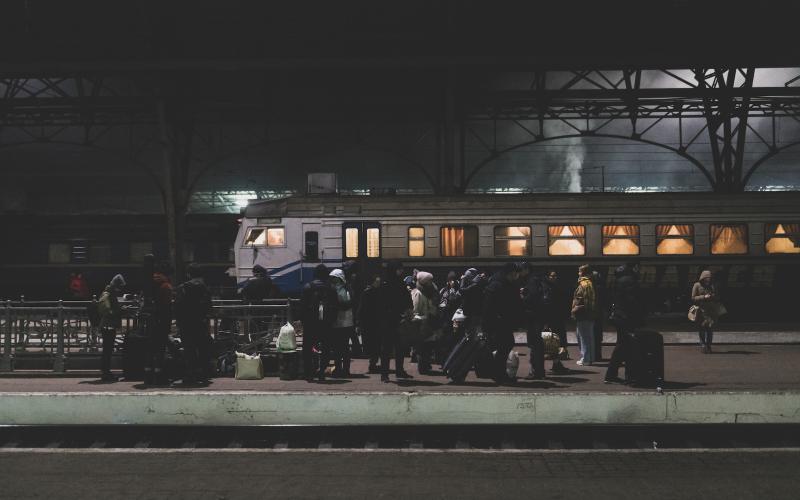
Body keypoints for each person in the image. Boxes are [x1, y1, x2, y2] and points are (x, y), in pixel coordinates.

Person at [174, 264, 213, 385]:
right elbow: (209, 306)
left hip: (186, 324)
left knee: (189, 350)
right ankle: (203, 375)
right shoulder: (204, 287)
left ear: (189, 274)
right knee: (202, 348)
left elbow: (177, 306)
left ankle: (190, 375)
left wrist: (178, 322)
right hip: (201, 323)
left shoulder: (183, 287)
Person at [604, 263, 643, 383]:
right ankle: (628, 375)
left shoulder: (618, 281)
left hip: (619, 317)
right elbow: (633, 301)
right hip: (627, 318)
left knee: (622, 346)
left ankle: (613, 375)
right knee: (627, 347)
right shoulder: (630, 281)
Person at [482, 262, 520, 384]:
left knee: (503, 347)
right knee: (505, 346)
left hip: (499, 322)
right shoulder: (500, 285)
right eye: (514, 274)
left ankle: (498, 373)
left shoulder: (498, 283)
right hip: (499, 323)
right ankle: (499, 374)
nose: (516, 276)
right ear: (509, 273)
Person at [301, 264, 337, 381]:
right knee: (326, 348)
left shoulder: (308, 287)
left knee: (308, 348)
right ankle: (322, 372)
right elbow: (335, 307)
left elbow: (302, 307)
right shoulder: (331, 288)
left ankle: (309, 373)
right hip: (326, 323)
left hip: (310, 323)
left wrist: (304, 322)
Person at [380, 260, 414, 382]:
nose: (401, 271)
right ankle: (389, 373)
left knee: (393, 347)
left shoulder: (386, 283)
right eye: (399, 269)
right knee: (391, 347)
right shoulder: (394, 283)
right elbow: (405, 299)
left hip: (393, 319)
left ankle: (390, 373)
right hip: (391, 320)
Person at [144, 261, 173, 386]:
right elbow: (166, 307)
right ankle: (160, 377)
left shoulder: (150, 284)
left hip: (151, 321)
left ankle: (148, 377)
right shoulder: (166, 286)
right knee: (160, 350)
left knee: (150, 350)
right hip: (162, 322)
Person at [96, 274, 126, 382]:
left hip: (109, 326)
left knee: (108, 350)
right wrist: (119, 311)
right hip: (107, 326)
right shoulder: (107, 294)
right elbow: (107, 310)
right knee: (107, 351)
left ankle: (106, 371)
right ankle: (105, 372)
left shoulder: (110, 294)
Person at [540, 270, 570, 373]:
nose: (554, 278)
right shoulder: (548, 288)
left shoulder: (550, 287)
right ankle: (555, 364)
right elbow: (548, 304)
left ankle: (556, 363)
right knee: (553, 342)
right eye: (552, 276)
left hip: (556, 318)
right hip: (553, 319)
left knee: (554, 342)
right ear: (548, 277)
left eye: (555, 276)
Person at [410, 271, 440, 375]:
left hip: (428, 322)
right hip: (422, 323)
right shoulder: (418, 293)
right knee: (423, 347)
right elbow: (415, 310)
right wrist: (424, 318)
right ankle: (422, 367)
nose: (431, 283)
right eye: (429, 281)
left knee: (427, 346)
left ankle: (425, 365)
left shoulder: (427, 292)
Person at [520, 265, 546, 380]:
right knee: (536, 344)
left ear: (527, 270)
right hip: (538, 316)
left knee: (534, 344)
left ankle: (536, 371)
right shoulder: (536, 280)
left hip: (533, 316)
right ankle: (538, 371)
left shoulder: (531, 281)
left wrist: (522, 296)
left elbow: (531, 298)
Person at [329, 268, 355, 376]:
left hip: (340, 322)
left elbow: (344, 305)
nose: (333, 281)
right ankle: (344, 369)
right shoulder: (347, 289)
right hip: (347, 322)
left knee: (339, 348)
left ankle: (340, 369)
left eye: (334, 279)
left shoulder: (340, 290)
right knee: (344, 347)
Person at [571, 264, 597, 366]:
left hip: (583, 314)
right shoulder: (590, 283)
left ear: (584, 273)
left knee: (583, 337)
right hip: (590, 314)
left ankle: (585, 358)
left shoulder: (584, 284)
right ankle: (590, 358)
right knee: (589, 336)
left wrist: (574, 310)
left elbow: (581, 300)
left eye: (580, 271)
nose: (578, 273)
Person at [692, 270, 722, 354]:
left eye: (709, 278)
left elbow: (717, 297)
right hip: (701, 310)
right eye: (706, 278)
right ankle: (703, 345)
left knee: (710, 329)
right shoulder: (697, 285)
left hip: (711, 310)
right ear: (703, 278)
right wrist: (704, 297)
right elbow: (693, 298)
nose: (708, 279)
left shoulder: (713, 286)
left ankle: (709, 346)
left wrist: (713, 296)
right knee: (701, 329)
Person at [358, 273, 383, 373]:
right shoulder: (370, 292)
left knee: (374, 344)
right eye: (377, 281)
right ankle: (372, 364)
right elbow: (362, 308)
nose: (378, 283)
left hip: (373, 322)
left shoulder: (370, 291)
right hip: (370, 322)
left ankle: (373, 363)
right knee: (373, 344)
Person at [459, 268, 487, 338]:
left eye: (467, 278)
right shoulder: (477, 283)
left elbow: (462, 290)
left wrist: (463, 280)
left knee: (473, 330)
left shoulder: (476, 284)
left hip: (474, 311)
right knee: (473, 330)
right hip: (474, 311)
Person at [591, 269, 607, 361]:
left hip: (592, 313)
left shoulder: (590, 288)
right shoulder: (601, 288)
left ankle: (593, 354)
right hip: (599, 313)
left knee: (591, 335)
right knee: (598, 335)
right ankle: (598, 354)